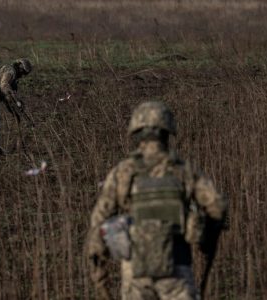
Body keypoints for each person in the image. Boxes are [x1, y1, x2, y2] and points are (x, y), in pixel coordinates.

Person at [86, 101, 227, 300]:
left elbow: (98, 222)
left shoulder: (124, 172)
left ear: (136, 133)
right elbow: (217, 205)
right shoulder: (183, 171)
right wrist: (207, 238)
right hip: (176, 268)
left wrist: (99, 273)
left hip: (135, 272)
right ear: (167, 133)